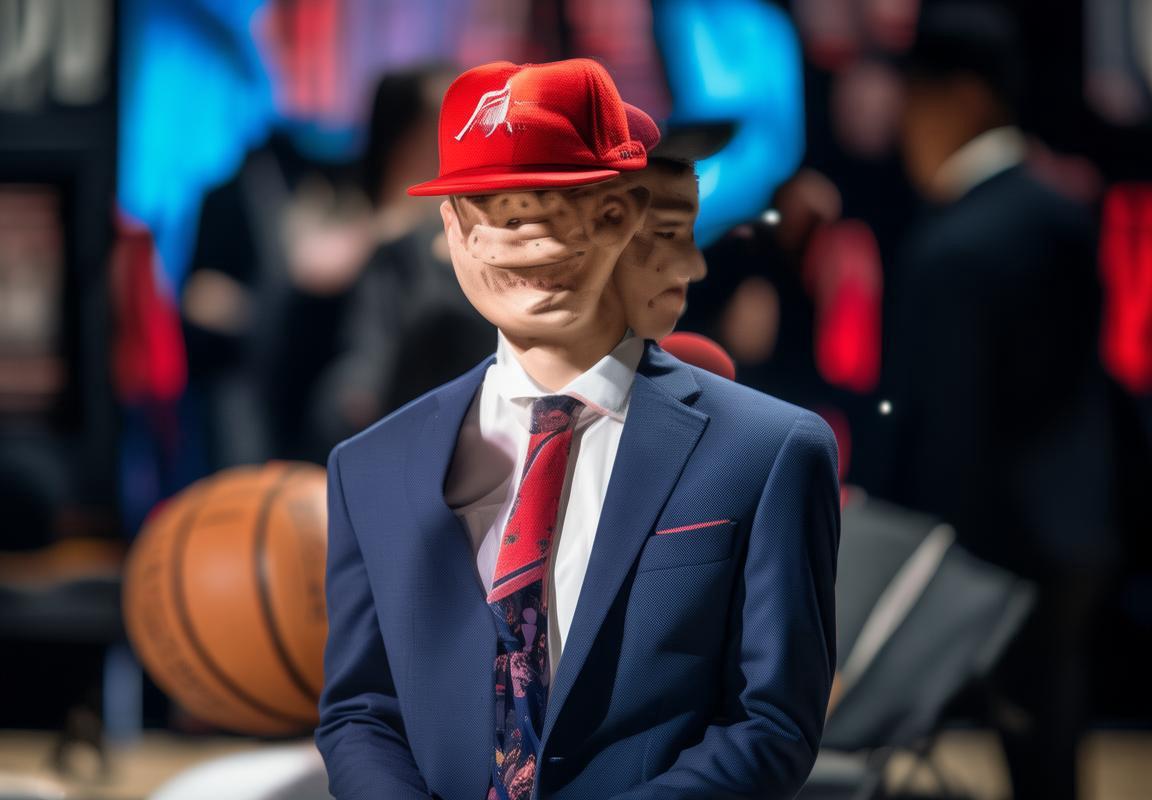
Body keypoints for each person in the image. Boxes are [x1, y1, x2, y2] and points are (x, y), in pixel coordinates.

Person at [316, 59, 839, 800]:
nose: (532, 240)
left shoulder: (766, 452)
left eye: (568, 205)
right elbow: (362, 710)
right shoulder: (369, 467)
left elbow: (772, 723)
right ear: (453, 228)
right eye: (496, 209)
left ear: (626, 217)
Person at [886, 6, 1115, 798]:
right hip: (1079, 524)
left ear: (964, 97)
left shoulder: (955, 246)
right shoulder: (1062, 209)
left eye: (914, 101)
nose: (903, 127)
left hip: (989, 546)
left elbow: (947, 431)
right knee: (1051, 741)